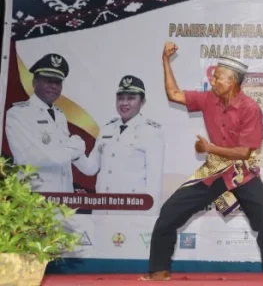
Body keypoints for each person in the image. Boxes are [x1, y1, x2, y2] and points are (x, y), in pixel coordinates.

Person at [140, 42, 263, 283]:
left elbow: (244, 152)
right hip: (214, 171)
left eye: (217, 77)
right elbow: (174, 94)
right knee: (170, 211)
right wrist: (165, 60)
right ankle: (159, 270)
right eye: (213, 76)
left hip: (241, 173)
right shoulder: (208, 99)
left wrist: (209, 148)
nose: (212, 81)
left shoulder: (250, 108)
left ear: (232, 81)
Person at [4, 53, 97, 193]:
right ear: (34, 82)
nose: (54, 86)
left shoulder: (59, 115)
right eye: (48, 81)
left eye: (58, 82)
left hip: (64, 195)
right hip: (36, 197)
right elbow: (30, 157)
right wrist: (73, 150)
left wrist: (79, 153)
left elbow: (71, 155)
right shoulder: (18, 114)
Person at [83, 75, 166, 215]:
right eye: (120, 98)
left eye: (131, 98)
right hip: (102, 210)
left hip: (130, 213)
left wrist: (150, 218)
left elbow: (154, 182)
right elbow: (91, 168)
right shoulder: (107, 129)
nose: (124, 103)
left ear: (142, 101)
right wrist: (75, 153)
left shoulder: (152, 132)